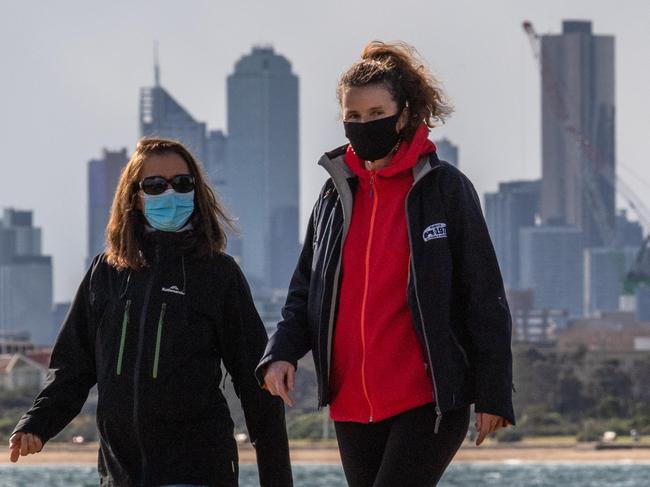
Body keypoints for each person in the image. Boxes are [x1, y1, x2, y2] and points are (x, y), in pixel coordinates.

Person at [258, 41, 516, 487]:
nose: (363, 125)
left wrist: (493, 394)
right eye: (353, 116)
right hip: (351, 404)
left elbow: (484, 296)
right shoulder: (333, 195)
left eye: (376, 113)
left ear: (404, 115)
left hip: (428, 399)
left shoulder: (444, 189)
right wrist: (281, 352)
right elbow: (306, 289)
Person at [8, 138, 293, 487]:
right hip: (119, 475)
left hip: (197, 473)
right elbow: (73, 368)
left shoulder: (218, 274)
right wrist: (36, 424)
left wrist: (277, 479)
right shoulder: (107, 273)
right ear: (135, 197)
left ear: (196, 191)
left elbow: (256, 385)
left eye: (182, 183)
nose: (170, 194)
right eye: (155, 185)